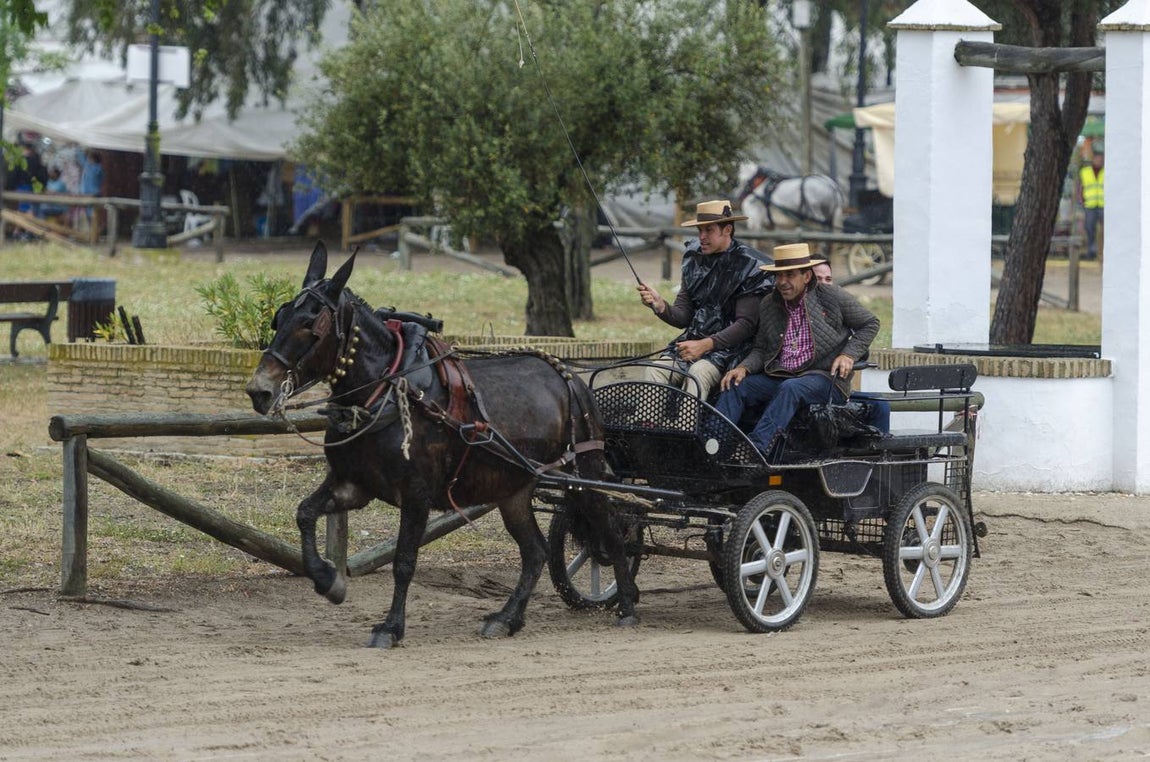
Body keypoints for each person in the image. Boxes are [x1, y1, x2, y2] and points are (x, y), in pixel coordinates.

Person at [714, 242, 880, 459]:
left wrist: (848, 354)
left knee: (792, 388)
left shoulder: (832, 296)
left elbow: (870, 323)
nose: (782, 282)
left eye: (790, 275)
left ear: (806, 276)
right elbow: (762, 349)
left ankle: (755, 450)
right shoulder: (769, 304)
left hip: (826, 379)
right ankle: (712, 446)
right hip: (781, 376)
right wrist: (744, 368)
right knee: (736, 385)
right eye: (779, 276)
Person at [636, 199, 773, 401]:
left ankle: (688, 423)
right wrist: (660, 305)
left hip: (732, 351)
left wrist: (705, 345)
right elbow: (683, 317)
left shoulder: (750, 265)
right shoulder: (694, 259)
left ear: (727, 229)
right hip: (693, 345)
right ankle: (648, 420)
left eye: (709, 230)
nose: (702, 236)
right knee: (656, 370)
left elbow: (745, 325)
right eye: (700, 230)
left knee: (698, 372)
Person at [1079, 148, 1104, 260]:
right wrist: (1082, 202)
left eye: (1101, 159)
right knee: (1090, 229)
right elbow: (1080, 188)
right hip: (1090, 206)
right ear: (1093, 159)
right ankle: (1091, 251)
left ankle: (1102, 252)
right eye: (1097, 159)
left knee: (1106, 230)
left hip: (1104, 206)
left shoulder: (1107, 172)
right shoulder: (1085, 172)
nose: (1099, 161)